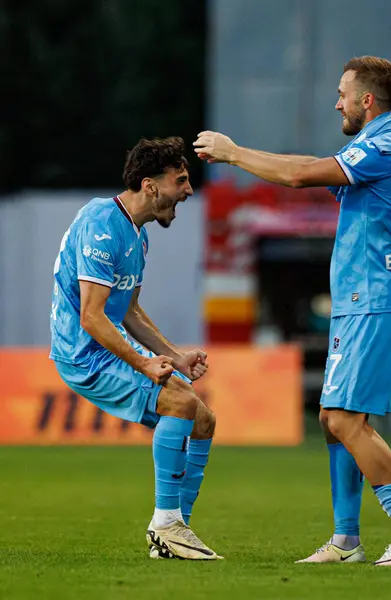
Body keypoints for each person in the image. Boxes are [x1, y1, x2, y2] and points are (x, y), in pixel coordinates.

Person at [194, 56, 391, 566]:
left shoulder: (386, 146)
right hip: (359, 303)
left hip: (373, 301)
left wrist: (234, 153)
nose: (337, 101)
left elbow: (301, 174)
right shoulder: (373, 146)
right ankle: (346, 540)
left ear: (366, 101)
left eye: (343, 93)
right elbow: (307, 167)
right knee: (334, 422)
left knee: (344, 419)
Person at [50, 137, 221, 561]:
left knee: (203, 420)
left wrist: (175, 355)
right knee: (180, 401)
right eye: (180, 180)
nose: (188, 189)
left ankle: (175, 528)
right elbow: (91, 316)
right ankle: (166, 525)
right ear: (150, 185)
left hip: (107, 343)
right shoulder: (101, 223)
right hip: (84, 353)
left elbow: (130, 312)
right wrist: (145, 363)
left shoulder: (136, 235)